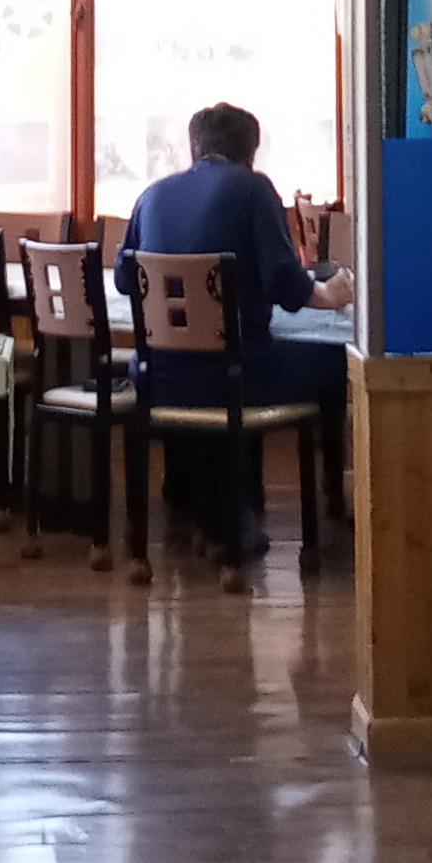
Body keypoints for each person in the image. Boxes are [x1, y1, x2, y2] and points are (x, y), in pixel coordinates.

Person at [124, 102, 343, 567]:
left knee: (217, 367)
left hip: (157, 377)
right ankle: (334, 509)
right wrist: (329, 294)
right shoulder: (253, 188)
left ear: (194, 147)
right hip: (236, 376)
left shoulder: (152, 195)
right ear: (251, 153)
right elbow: (285, 285)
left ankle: (197, 501)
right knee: (338, 361)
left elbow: (127, 279)